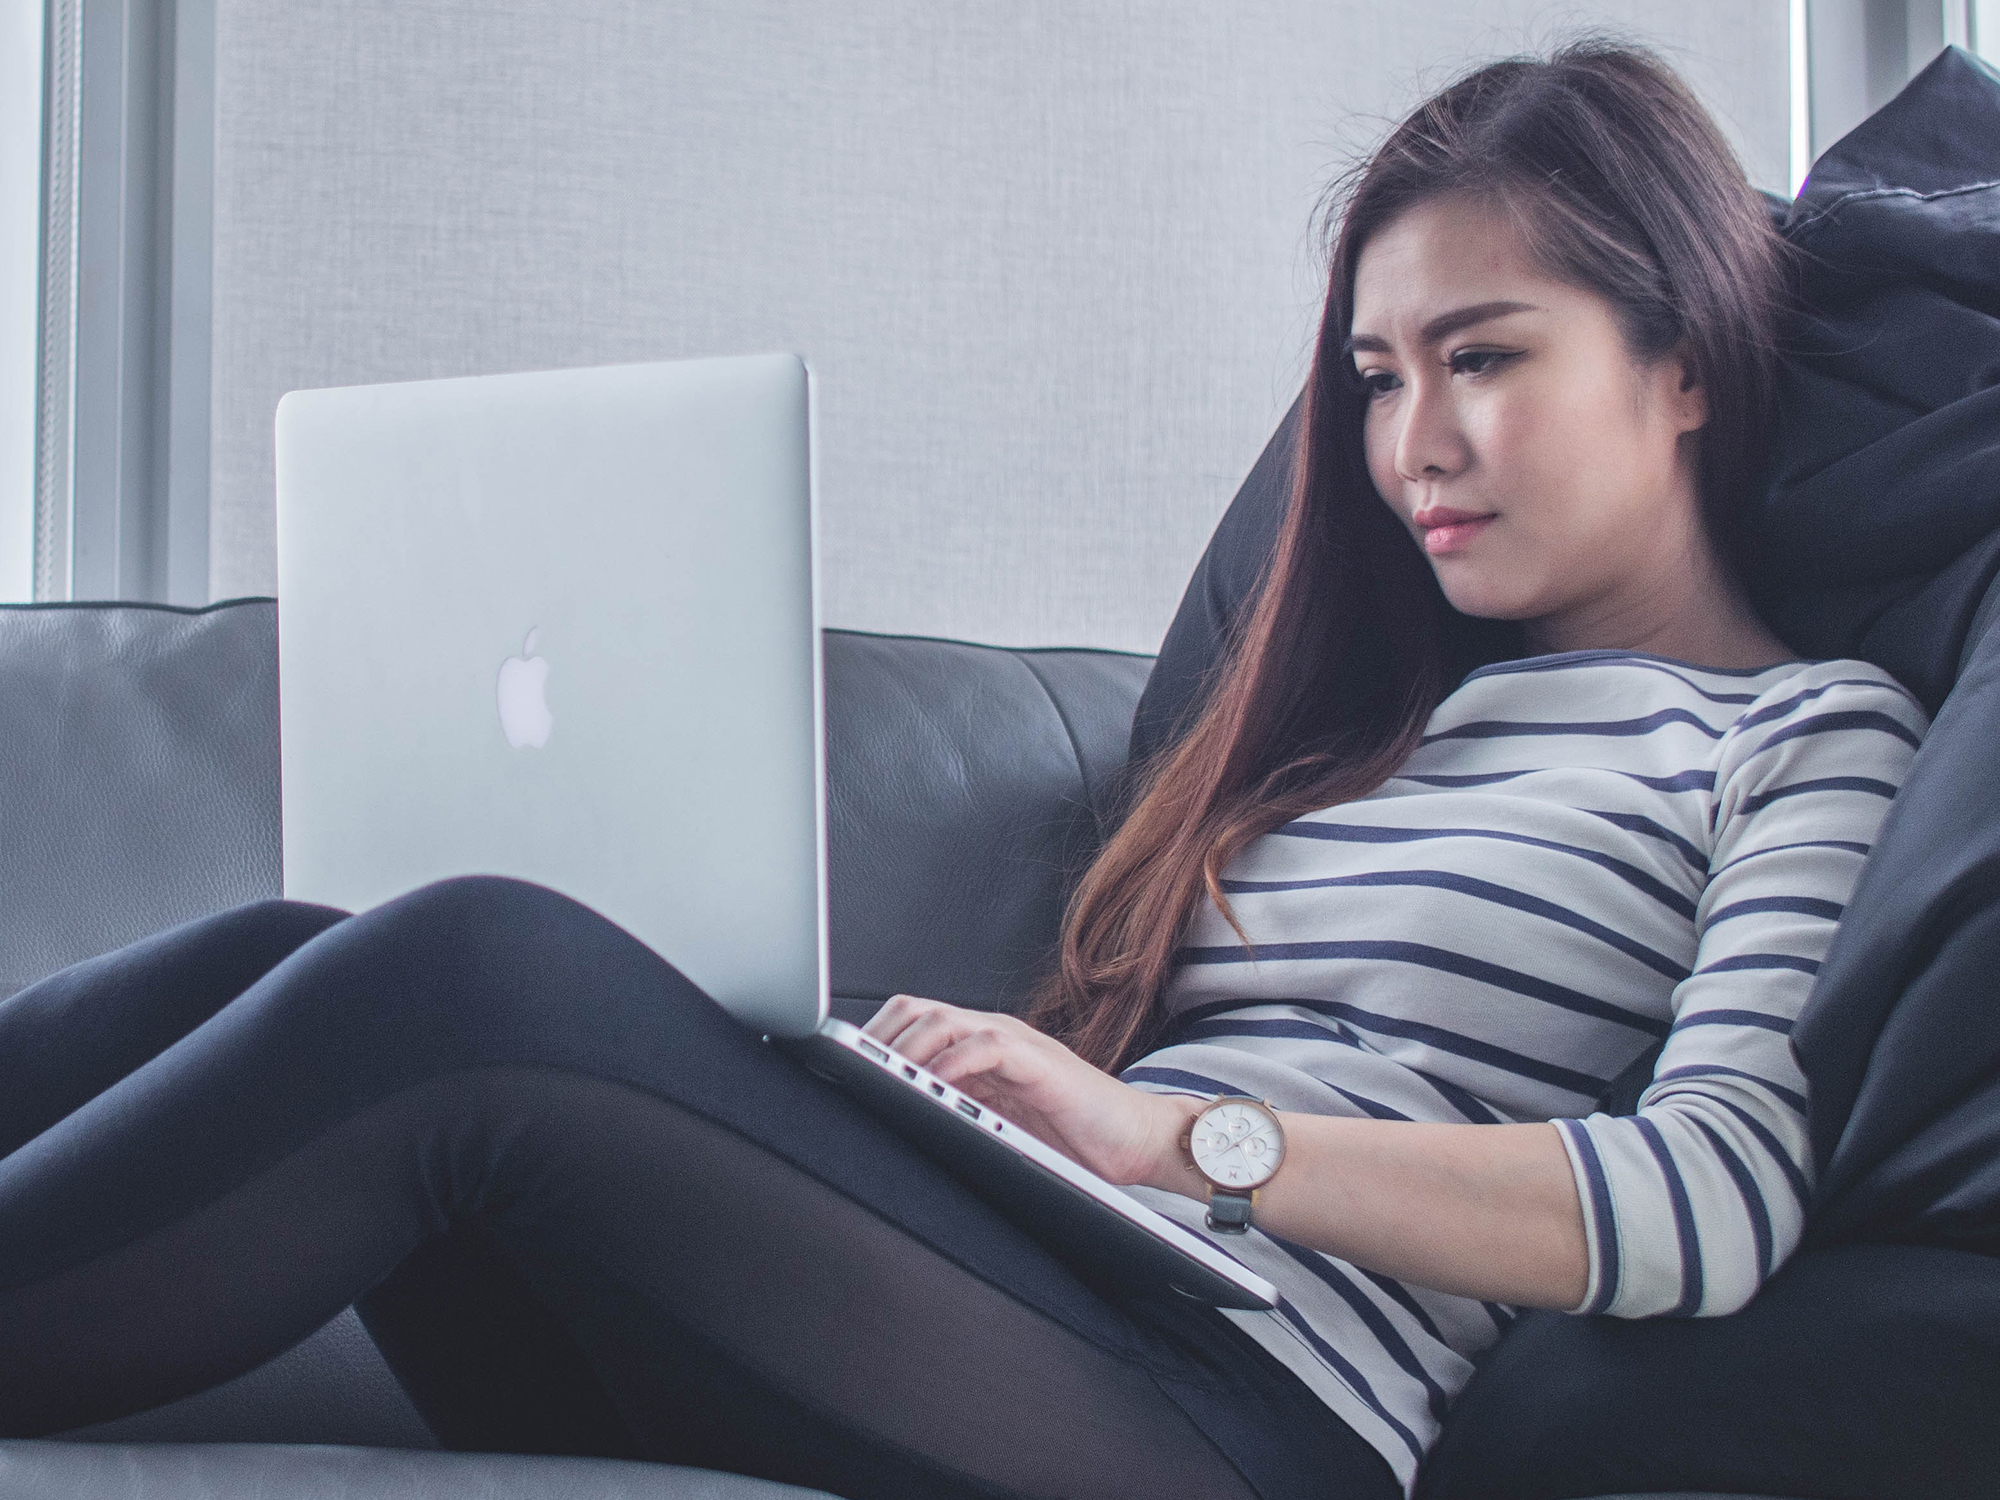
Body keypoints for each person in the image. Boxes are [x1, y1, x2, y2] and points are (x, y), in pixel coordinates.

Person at [0, 40, 1928, 1500]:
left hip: (1251, 1416)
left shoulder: (1802, 736)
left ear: (1685, 360)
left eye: (1483, 357)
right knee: (313, 934)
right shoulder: (1379, 725)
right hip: (1019, 1309)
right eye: (1373, 376)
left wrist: (1175, 1139)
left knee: (480, 978)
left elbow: (1709, 1204)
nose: (1410, 437)